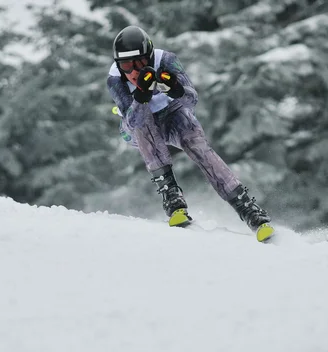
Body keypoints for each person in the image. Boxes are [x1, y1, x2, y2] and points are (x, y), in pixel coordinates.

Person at [106, 25, 274, 242]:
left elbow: (192, 100)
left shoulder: (166, 60)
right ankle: (171, 196)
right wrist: (142, 94)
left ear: (149, 56)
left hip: (171, 115)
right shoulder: (115, 79)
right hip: (136, 125)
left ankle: (248, 209)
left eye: (139, 63)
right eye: (126, 65)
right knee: (143, 121)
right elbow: (133, 120)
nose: (133, 71)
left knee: (193, 139)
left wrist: (174, 87)